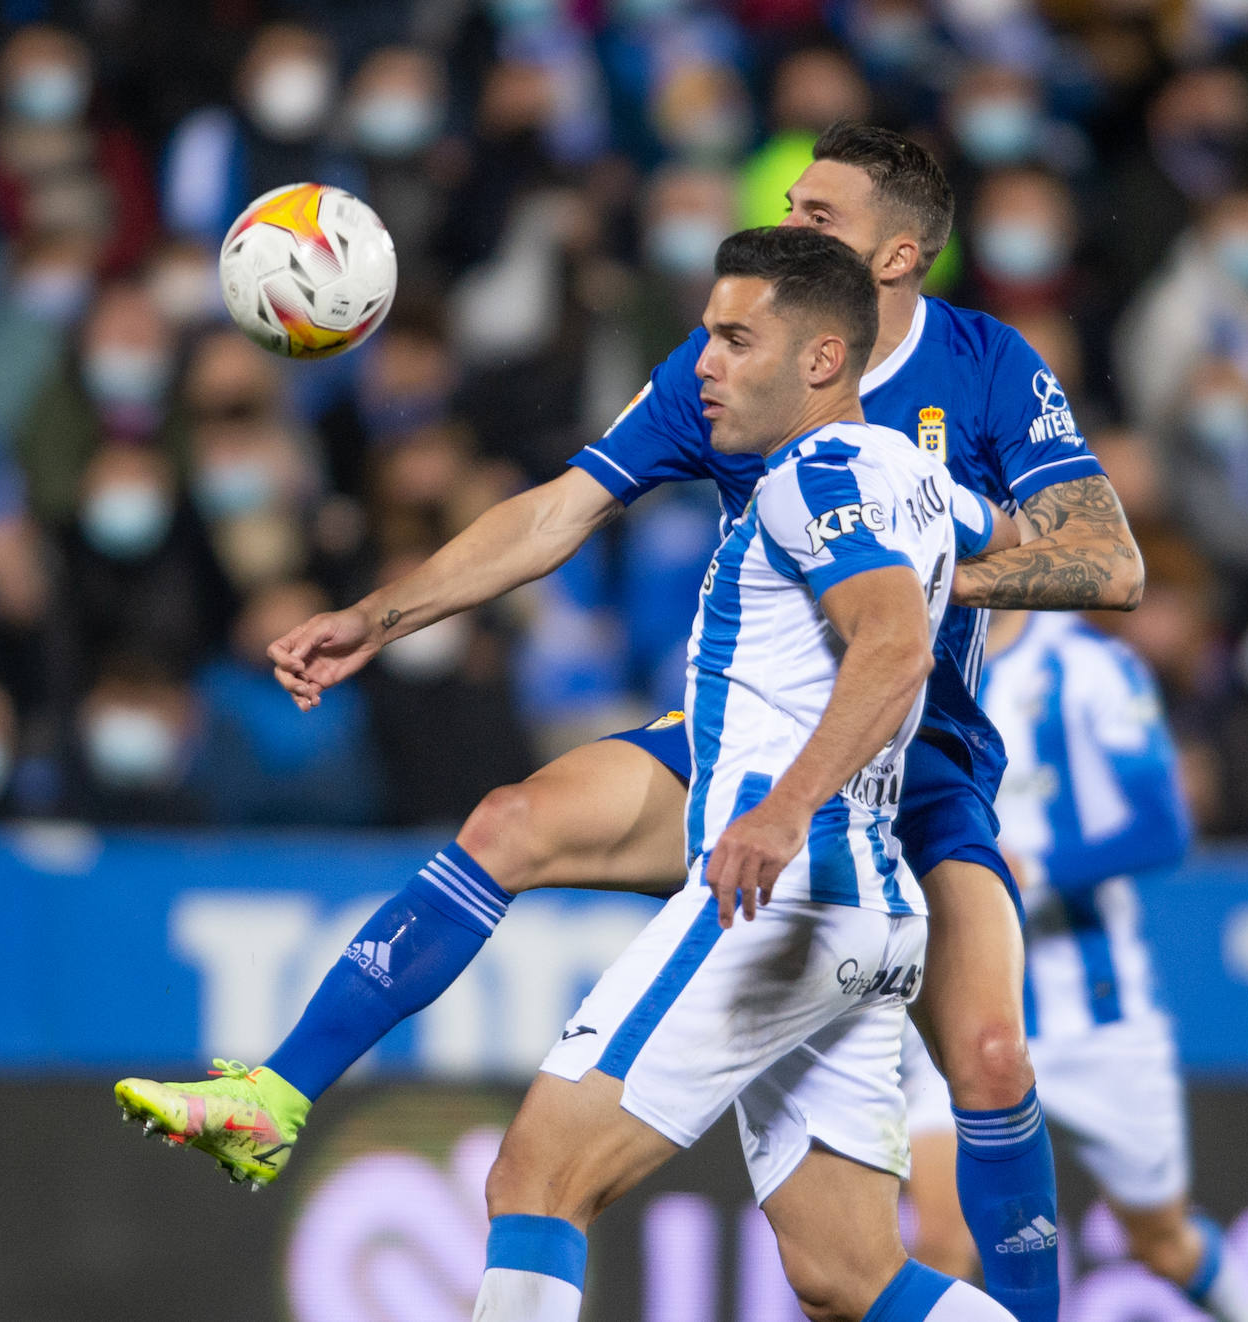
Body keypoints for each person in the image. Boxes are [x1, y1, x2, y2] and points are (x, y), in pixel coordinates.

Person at [116, 124, 1145, 1322]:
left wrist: (897, 581)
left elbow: (1104, 561)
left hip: (903, 769)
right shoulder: (732, 361)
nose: (793, 228)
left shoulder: (976, 367)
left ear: (898, 257)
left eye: (821, 216)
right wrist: (380, 613)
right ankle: (280, 1089)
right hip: (762, 753)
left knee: (979, 1062)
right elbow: (561, 509)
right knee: (517, 825)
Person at [472, 228, 1024, 1322]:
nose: (704, 363)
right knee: (850, 1273)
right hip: (868, 908)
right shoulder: (917, 477)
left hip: (787, 890)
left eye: (733, 337)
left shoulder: (810, 477)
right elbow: (999, 534)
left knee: (537, 1175)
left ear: (822, 359)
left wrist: (782, 805)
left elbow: (895, 642)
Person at [899, 610, 1248, 1322]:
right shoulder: (910, 654)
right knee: (942, 1246)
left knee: (1163, 1241)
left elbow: (1163, 828)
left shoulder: (1088, 664)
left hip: (1094, 1010)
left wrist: (1035, 868)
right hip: (956, 1005)